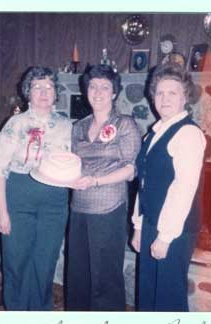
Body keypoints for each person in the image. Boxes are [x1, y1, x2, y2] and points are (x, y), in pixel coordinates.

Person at [0, 66, 72, 310]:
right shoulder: (15, 124)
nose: (43, 92)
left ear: (56, 93)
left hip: (55, 202)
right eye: (37, 87)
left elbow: (74, 165)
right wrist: (2, 212)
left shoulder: (68, 126)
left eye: (48, 87)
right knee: (16, 261)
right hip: (19, 197)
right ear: (28, 92)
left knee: (45, 263)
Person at [131, 63, 206, 311]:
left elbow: (184, 188)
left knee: (167, 299)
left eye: (172, 93)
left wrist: (165, 237)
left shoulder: (188, 134)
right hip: (152, 223)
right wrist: (139, 226)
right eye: (160, 93)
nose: (164, 99)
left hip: (175, 230)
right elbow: (144, 183)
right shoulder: (152, 135)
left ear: (185, 97)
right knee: (148, 295)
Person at [66, 64, 142, 311]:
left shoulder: (125, 124)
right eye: (93, 86)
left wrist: (96, 181)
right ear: (86, 90)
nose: (98, 92)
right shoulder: (78, 126)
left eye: (105, 87)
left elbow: (131, 170)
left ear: (114, 93)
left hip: (109, 208)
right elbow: (72, 163)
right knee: (77, 273)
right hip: (78, 207)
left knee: (105, 277)